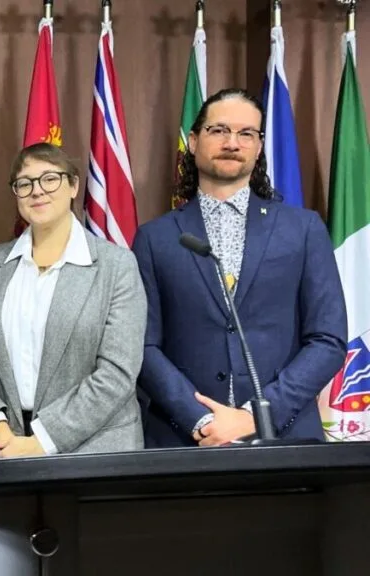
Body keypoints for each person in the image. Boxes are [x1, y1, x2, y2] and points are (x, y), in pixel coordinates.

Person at [133, 88, 347, 447]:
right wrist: (202, 420)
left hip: (285, 439)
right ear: (193, 141)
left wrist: (254, 417)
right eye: (219, 130)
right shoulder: (155, 239)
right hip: (185, 441)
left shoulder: (303, 229)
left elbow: (328, 340)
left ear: (259, 147)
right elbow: (143, 346)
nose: (232, 143)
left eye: (246, 133)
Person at [0, 142, 145, 458]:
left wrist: (41, 442)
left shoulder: (116, 266)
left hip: (95, 452)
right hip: (6, 448)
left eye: (50, 178)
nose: (37, 191)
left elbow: (118, 372)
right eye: (25, 183)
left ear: (73, 186)